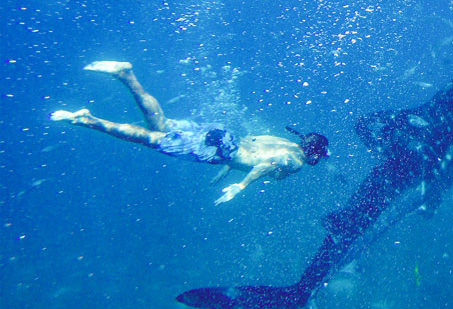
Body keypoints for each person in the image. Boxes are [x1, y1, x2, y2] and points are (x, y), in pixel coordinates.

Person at [50, 61, 329, 205]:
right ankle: (96, 110)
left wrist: (228, 168)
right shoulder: (295, 162)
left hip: (221, 137)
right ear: (314, 154)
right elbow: (264, 165)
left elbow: (250, 149)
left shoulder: (281, 141)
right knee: (151, 139)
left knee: (162, 126)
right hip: (220, 150)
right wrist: (241, 187)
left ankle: (119, 84)